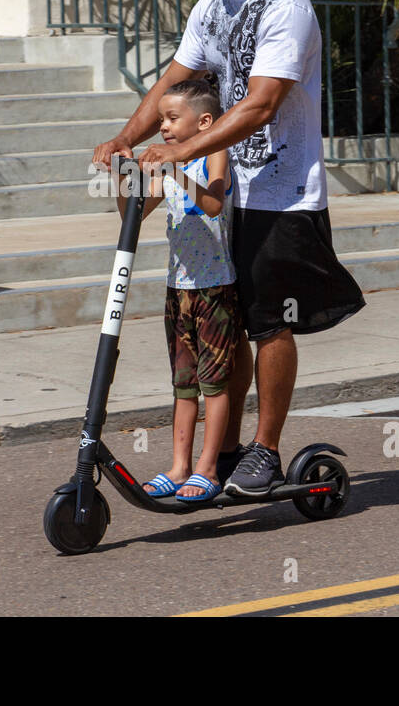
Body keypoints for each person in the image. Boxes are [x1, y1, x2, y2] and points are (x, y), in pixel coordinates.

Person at [92, 0, 365, 497]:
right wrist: (125, 138)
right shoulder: (211, 7)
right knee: (226, 327)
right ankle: (224, 451)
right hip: (223, 194)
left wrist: (180, 152)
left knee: (272, 323)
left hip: (281, 193)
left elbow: (262, 103)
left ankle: (265, 450)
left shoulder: (286, 6)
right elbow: (172, 80)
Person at [115, 79, 241, 502]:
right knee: (182, 384)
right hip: (178, 289)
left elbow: (214, 203)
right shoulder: (165, 166)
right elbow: (133, 211)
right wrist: (124, 172)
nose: (163, 127)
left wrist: (176, 170)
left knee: (214, 384)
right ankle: (178, 466)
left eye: (172, 118)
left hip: (215, 289)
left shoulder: (212, 153)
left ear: (204, 122)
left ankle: (207, 470)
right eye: (161, 118)